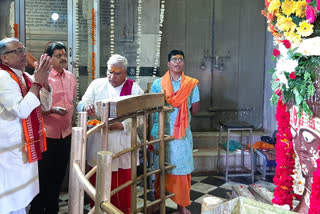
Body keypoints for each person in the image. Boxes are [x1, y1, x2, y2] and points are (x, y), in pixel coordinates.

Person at [77, 54, 144, 213]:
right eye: (109, 72)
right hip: (98, 144)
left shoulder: (134, 88)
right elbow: (81, 103)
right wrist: (86, 107)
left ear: (125, 73)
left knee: (122, 188)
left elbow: (141, 115)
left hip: (123, 146)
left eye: (117, 73)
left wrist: (122, 125)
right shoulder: (96, 85)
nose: (112, 76)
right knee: (98, 187)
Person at [0, 37, 52, 214]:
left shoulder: (25, 76)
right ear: (4, 58)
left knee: (21, 201)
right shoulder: (3, 76)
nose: (24, 54)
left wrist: (44, 83)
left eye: (24, 50)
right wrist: (37, 83)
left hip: (24, 147)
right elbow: (21, 111)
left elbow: (44, 105)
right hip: (8, 150)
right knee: (10, 201)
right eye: (18, 51)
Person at [150, 50, 200, 214]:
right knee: (161, 168)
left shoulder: (191, 84)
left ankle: (182, 206)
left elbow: (196, 108)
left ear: (183, 63)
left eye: (180, 59)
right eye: (174, 59)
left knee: (181, 168)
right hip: (162, 132)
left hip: (181, 135)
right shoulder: (158, 83)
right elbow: (152, 106)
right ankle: (158, 202)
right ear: (168, 64)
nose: (177, 62)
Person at [29, 42, 76, 214]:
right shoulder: (42, 77)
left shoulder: (70, 76)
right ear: (48, 58)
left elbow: (71, 102)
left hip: (65, 135)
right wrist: (52, 110)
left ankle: (52, 209)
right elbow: (32, 108)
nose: (63, 58)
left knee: (58, 176)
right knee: (42, 178)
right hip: (46, 136)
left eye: (64, 55)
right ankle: (37, 210)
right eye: (58, 56)